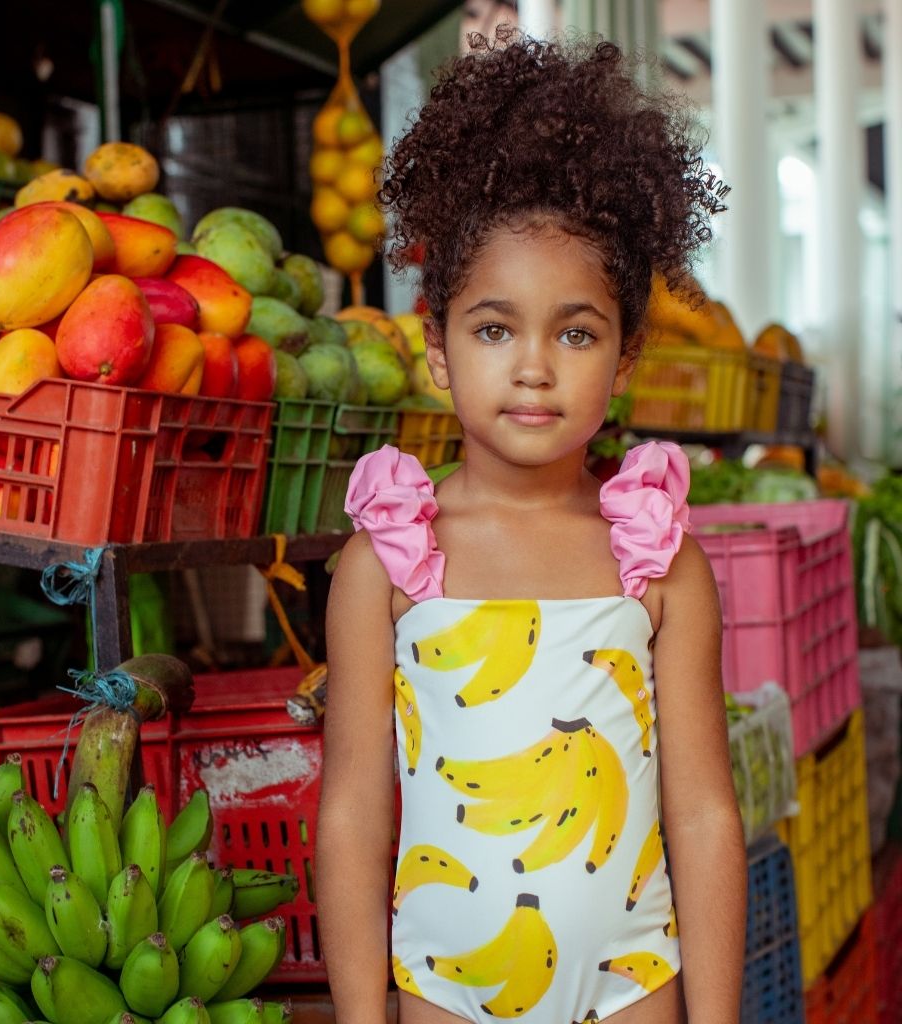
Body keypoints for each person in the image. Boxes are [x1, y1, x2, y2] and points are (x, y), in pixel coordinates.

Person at [316, 29, 746, 1024]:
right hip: (442, 998)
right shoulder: (386, 560)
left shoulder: (658, 561)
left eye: (577, 331)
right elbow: (350, 814)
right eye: (494, 327)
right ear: (436, 347)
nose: (534, 365)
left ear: (626, 356)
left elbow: (702, 812)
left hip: (632, 994)